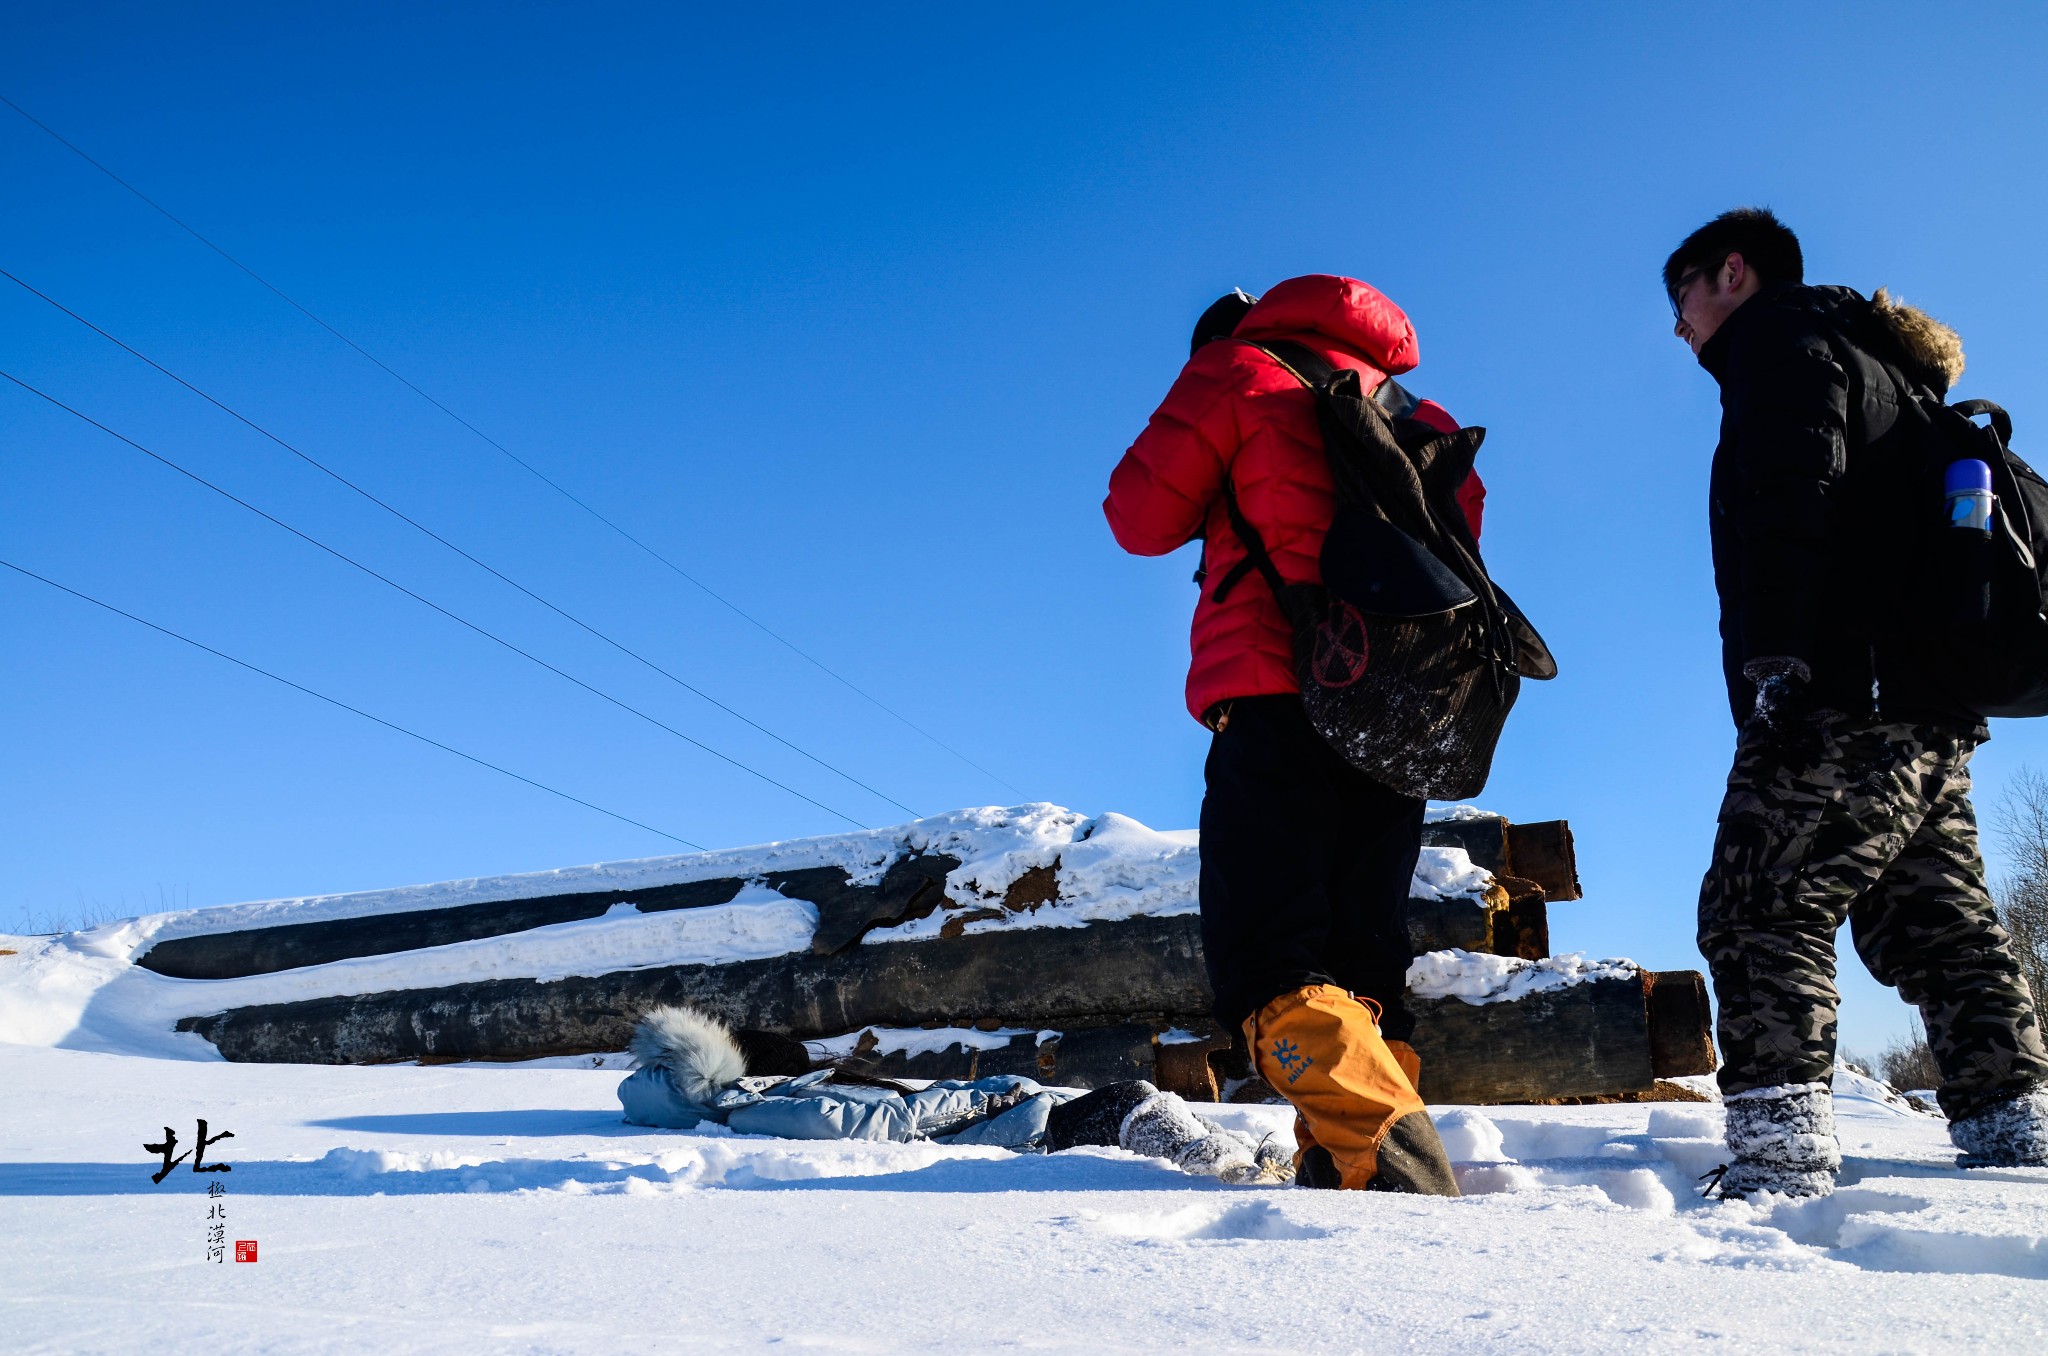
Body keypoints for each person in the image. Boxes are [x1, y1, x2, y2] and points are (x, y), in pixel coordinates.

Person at [1667, 207, 2048, 1197]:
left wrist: (1777, 666)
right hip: (1928, 712)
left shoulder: (1782, 346)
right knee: (1936, 926)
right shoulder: (1889, 372)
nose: (1678, 326)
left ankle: (1780, 1155)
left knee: (1759, 902)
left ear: (1734, 273)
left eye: (1683, 296)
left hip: (1841, 694)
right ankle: (2016, 1140)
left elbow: (1791, 506)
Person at [1102, 275, 1479, 1194]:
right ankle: (1342, 1172)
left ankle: (1390, 1155)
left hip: (1275, 690)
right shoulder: (1419, 413)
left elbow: (1137, 519)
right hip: (1399, 714)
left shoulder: (1235, 369)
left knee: (1267, 953)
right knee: (1363, 956)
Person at [616, 1004, 1293, 1182]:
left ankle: (1242, 1161)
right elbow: (885, 1124)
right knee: (1134, 1099)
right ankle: (1223, 1165)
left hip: (1006, 1117)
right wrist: (986, 1100)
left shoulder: (762, 1099)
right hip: (1009, 1126)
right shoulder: (774, 1104)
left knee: (1143, 1106)